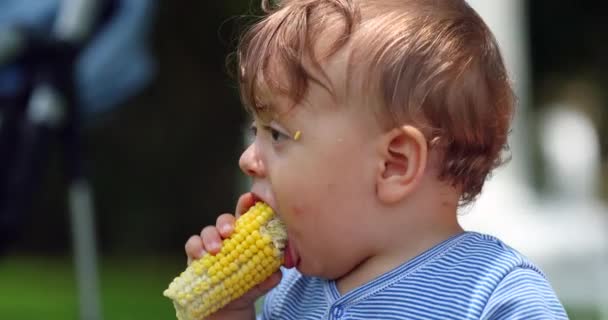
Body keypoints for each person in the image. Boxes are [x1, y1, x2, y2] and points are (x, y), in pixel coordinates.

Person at [184, 0, 569, 319]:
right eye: (257, 132)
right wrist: (228, 310)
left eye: (278, 135)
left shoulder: (496, 297)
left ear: (393, 165)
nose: (248, 159)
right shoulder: (289, 295)